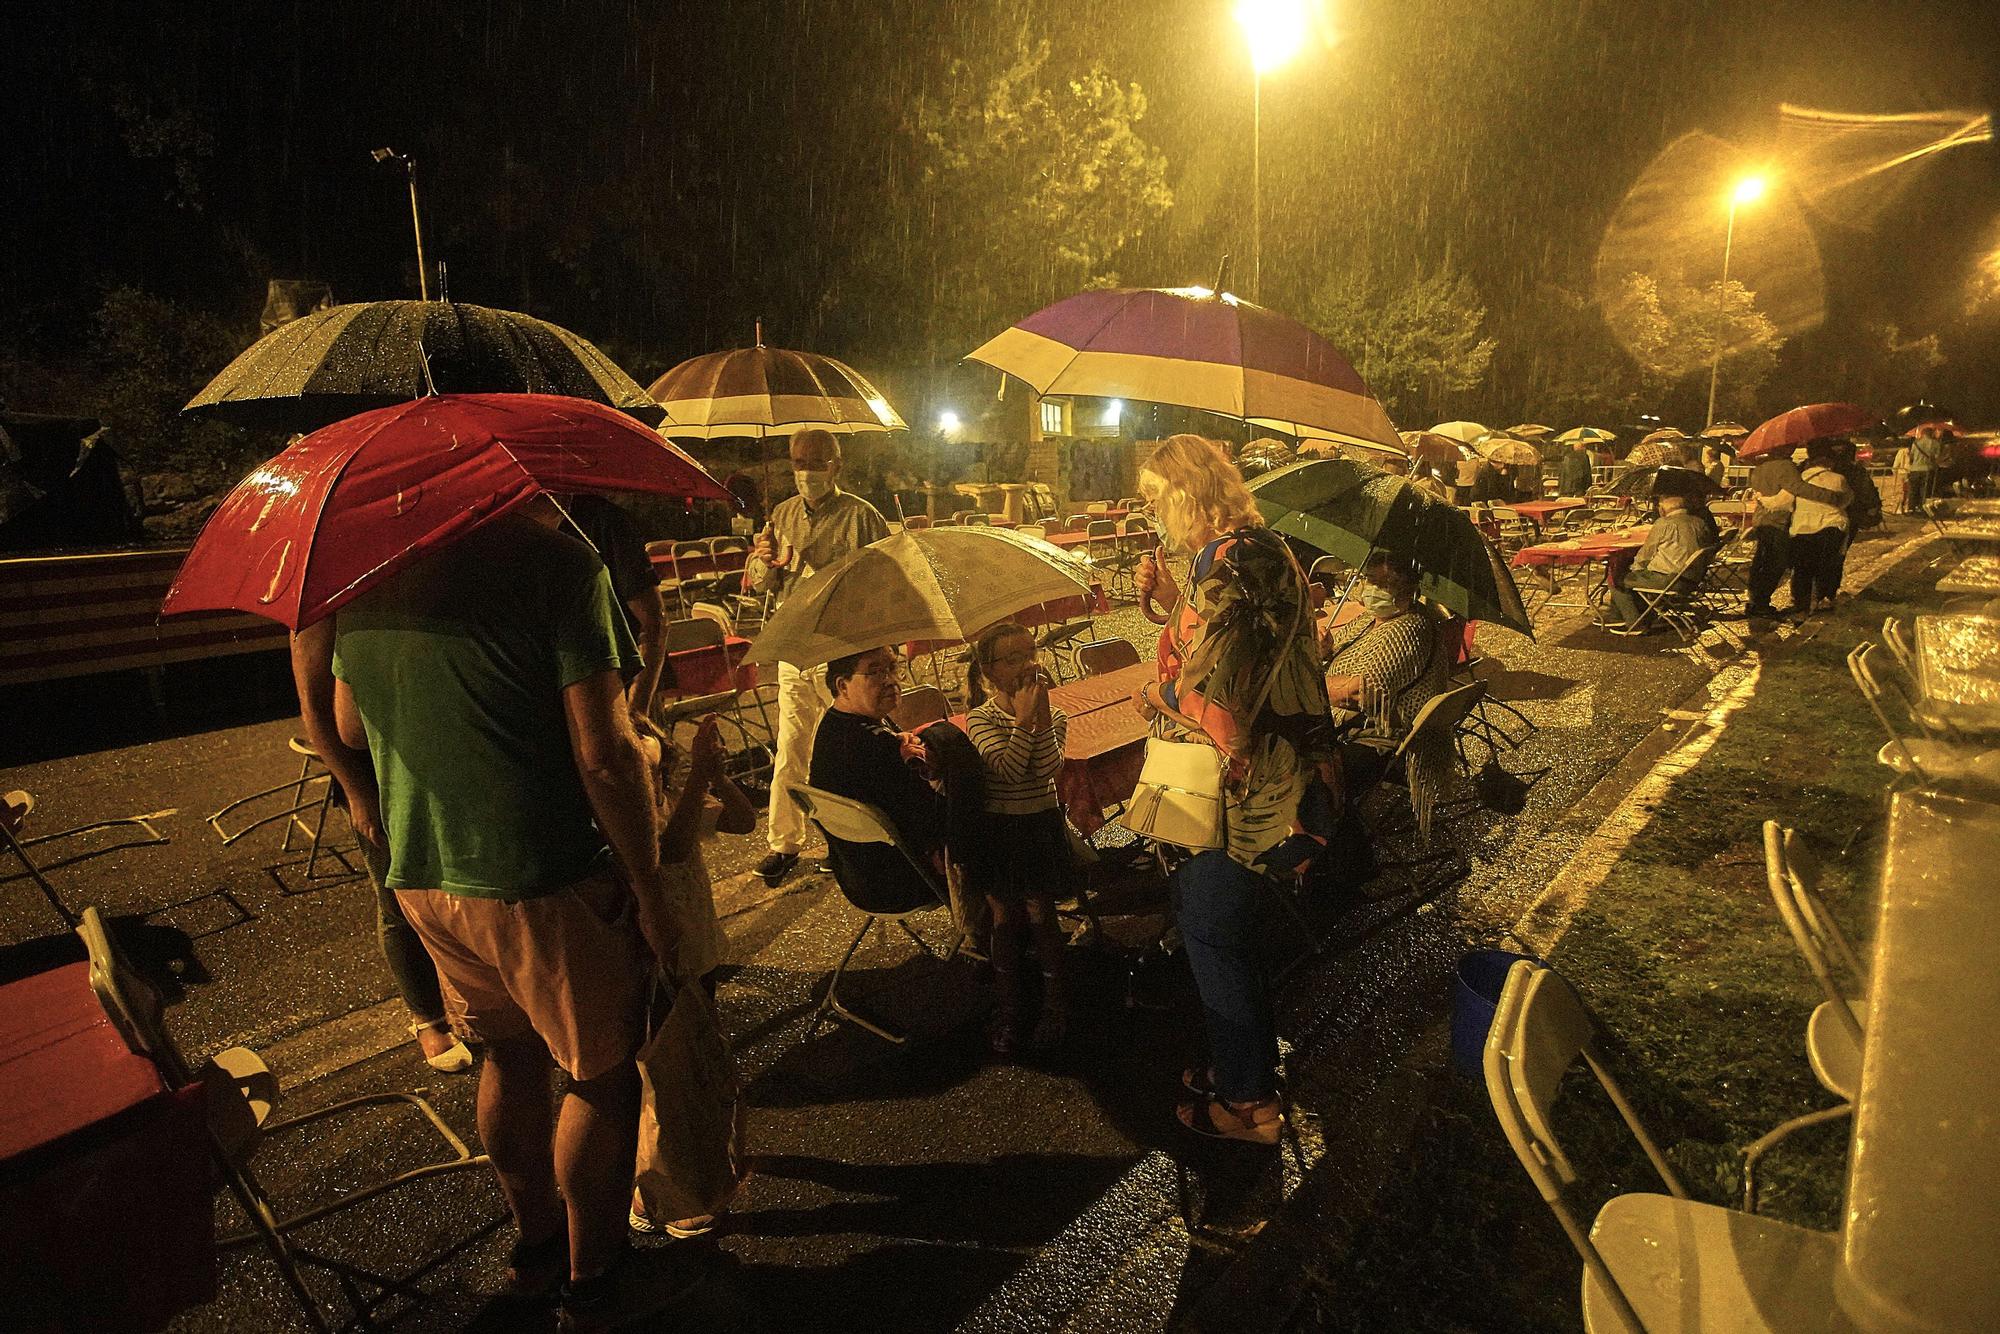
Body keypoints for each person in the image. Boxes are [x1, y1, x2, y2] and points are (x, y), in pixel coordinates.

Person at [331, 496, 663, 1321]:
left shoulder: (371, 569)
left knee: (506, 1057)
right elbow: (607, 754)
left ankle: (538, 1245)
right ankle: (597, 1277)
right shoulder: (557, 566)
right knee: (601, 1074)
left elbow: (346, 720)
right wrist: (652, 892)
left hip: (425, 873)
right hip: (541, 874)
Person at [1133, 435, 1331, 1146]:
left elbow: (1214, 699)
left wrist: (1156, 695)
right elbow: (1232, 649)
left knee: (1213, 932)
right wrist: (1168, 602)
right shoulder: (1262, 549)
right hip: (1288, 781)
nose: (1153, 515)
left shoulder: (1226, 562)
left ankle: (1249, 1107)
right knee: (1233, 933)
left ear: (1188, 494)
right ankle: (1240, 1069)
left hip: (1246, 797)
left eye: (1158, 499)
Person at [290, 623, 470, 1075]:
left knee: (454, 889)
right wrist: (356, 792)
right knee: (396, 899)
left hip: (424, 761)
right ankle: (427, 1018)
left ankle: (467, 1001)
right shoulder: (320, 610)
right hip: (372, 773)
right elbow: (315, 711)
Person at [626, 713, 756, 1240]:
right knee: (665, 1071)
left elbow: (744, 821)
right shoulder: (638, 821)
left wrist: (718, 775)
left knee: (690, 1063)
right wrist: (702, 773)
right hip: (664, 948)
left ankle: (686, 1179)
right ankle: (668, 1194)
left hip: (695, 948)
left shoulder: (663, 806)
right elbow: (672, 849)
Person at [745, 429, 891, 886]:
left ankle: (847, 840)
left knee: (842, 751)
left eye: (816, 461)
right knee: (792, 746)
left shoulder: (861, 516)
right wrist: (762, 560)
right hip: (795, 648)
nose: (806, 471)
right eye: (798, 462)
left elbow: (886, 579)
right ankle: (784, 843)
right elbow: (762, 585)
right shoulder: (781, 515)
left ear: (837, 465)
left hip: (843, 652)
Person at [963, 622, 1072, 1056]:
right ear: (989, 672)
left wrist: (1037, 719)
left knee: (1043, 915)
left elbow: (1047, 769)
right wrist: (1024, 723)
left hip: (1038, 824)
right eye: (1013, 659)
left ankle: (1057, 1005)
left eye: (1030, 654)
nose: (1027, 666)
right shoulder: (980, 718)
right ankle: (1011, 1007)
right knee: (1005, 917)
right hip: (1002, 830)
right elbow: (1006, 770)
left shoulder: (1054, 714)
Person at [1319, 552, 1453, 834]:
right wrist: (1325, 652)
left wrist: (1309, 686)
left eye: (1385, 583)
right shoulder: (1368, 619)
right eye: (1370, 579)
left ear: (1409, 588)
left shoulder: (1410, 626)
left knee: (1305, 776)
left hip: (1384, 738)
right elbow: (1341, 661)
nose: (1372, 589)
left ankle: (1337, 849)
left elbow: (1361, 693)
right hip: (1347, 727)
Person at [806, 646, 949, 883]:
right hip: (903, 878)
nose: (890, 680)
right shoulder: (872, 744)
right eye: (875, 673)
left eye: (892, 668)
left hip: (856, 875)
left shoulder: (833, 725)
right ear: (843, 686)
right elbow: (932, 815)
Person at [561, 493, 668, 716]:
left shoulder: (604, 520)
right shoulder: (507, 533)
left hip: (623, 684)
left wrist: (637, 709)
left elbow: (654, 620)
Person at [1744, 451, 1845, 619]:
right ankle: (1761, 604)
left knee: (1761, 561)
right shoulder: (1785, 465)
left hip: (1762, 519)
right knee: (1775, 563)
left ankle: (1755, 601)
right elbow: (1799, 488)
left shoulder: (1760, 467)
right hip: (1778, 521)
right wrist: (1831, 497)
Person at [1602, 491, 1712, 631]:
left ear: (1664, 508)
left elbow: (1645, 554)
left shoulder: (1664, 523)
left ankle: (1634, 622)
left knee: (1617, 578)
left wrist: (1633, 568)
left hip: (1670, 579)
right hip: (1694, 578)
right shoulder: (1699, 522)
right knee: (1633, 577)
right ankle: (1628, 615)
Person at [1782, 442, 1852, 616]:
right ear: (1829, 462)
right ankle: (1822, 599)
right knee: (1826, 565)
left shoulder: (1800, 478)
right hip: (1831, 527)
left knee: (1802, 569)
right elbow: (1846, 501)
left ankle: (1801, 605)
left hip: (1803, 528)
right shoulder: (1839, 479)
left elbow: (1789, 504)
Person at [1827, 439, 1882, 595]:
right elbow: (1867, 494)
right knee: (1839, 554)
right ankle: (1829, 590)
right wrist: (1872, 508)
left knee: (1825, 553)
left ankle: (1821, 588)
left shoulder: (1830, 471)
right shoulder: (1856, 471)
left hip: (1829, 515)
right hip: (1851, 517)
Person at [1905, 424, 1945, 510]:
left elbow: (1911, 457)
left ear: (1922, 434)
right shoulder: (1935, 443)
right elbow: (1937, 458)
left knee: (1913, 490)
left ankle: (1911, 508)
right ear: (1931, 434)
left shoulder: (1915, 443)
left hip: (1915, 470)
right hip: (1927, 469)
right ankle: (1922, 508)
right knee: (1925, 491)